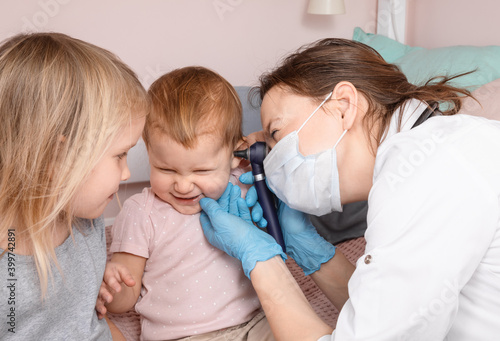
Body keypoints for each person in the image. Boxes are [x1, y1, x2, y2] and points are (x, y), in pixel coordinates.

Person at [199, 38, 500, 340]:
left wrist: (261, 261)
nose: (269, 156)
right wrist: (311, 250)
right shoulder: (431, 154)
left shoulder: (431, 170)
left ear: (343, 105)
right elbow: (382, 312)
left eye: (276, 133)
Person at [96, 66, 275, 341]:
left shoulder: (246, 183)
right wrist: (112, 286)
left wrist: (264, 147)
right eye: (165, 170)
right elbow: (125, 298)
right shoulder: (141, 212)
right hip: (183, 336)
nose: (182, 185)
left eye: (201, 171)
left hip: (257, 322)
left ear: (235, 155)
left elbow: (285, 155)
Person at [0, 32, 148, 340]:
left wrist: (98, 282)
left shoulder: (84, 218)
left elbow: (89, 322)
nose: (126, 173)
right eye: (119, 155)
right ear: (59, 156)